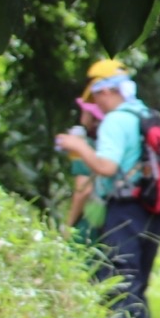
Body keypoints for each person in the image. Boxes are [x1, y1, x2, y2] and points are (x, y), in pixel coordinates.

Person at [55, 65, 160, 318]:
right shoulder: (144, 113)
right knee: (138, 277)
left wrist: (78, 147)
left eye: (96, 98)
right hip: (155, 206)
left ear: (105, 90)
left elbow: (107, 167)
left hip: (126, 207)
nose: (96, 106)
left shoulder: (116, 121)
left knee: (121, 277)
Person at [63, 95, 107, 250]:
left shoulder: (83, 146)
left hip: (90, 218)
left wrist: (68, 225)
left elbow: (83, 189)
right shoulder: (106, 143)